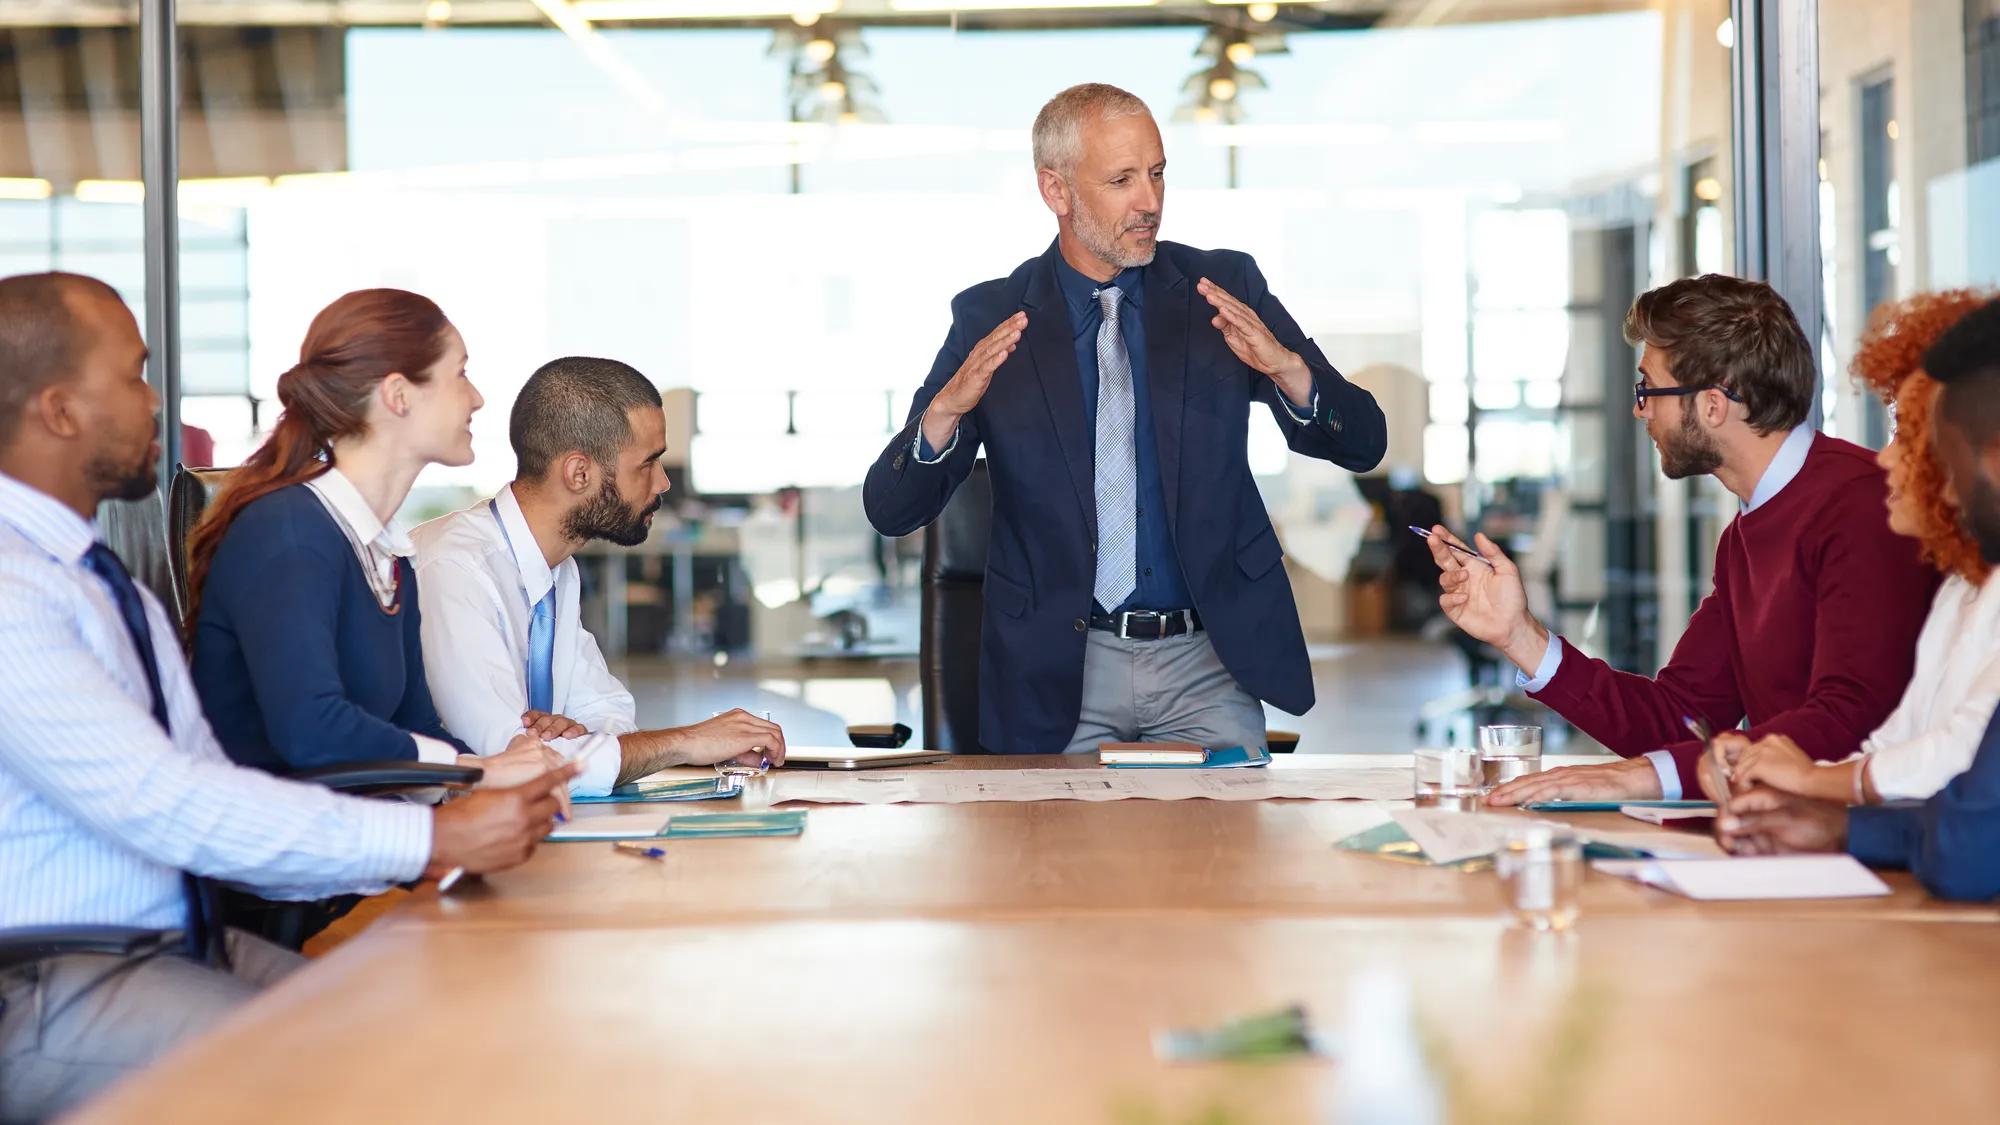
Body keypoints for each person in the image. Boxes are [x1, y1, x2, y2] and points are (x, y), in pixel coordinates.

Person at [0, 272, 572, 1122]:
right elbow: (169, 799)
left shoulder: (92, 579)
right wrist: (432, 831)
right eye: (135, 373)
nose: (159, 402)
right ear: (59, 410)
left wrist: (462, 798)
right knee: (361, 1071)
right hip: (52, 975)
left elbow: (202, 773)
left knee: (438, 1035)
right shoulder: (16, 592)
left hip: (173, 944)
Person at [861, 83, 1386, 754]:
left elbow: (1366, 441)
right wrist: (945, 413)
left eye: (1158, 172)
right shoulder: (989, 317)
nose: (1151, 202)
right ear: (1056, 190)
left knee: (1233, 856)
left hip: (1206, 663)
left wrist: (1288, 369)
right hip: (1059, 672)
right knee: (1058, 862)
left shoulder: (1220, 290)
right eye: (1122, 180)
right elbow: (890, 506)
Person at [1428, 274, 1937, 804]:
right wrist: (1520, 636)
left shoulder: (1862, 505)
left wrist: (1645, 776)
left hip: (1866, 853)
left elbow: (1852, 721)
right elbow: (1682, 717)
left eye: (1647, 388)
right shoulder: (1748, 530)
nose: (1640, 409)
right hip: (1788, 835)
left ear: (1713, 406)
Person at [184, 289, 557, 789]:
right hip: (276, 850)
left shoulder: (387, 554)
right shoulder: (289, 531)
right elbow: (311, 731)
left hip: (360, 838)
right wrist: (476, 773)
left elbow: (415, 726)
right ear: (398, 394)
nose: (477, 398)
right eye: (461, 373)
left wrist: (509, 775)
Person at [1711, 296, 2000, 902]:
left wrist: (1821, 787)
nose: (1887, 458)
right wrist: (1817, 799)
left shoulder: (1853, 518)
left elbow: (1967, 820)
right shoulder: (1962, 588)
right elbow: (1904, 752)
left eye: (1912, 435)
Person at [411, 356, 787, 794]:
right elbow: (510, 765)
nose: (663, 483)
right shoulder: (454, 568)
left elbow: (608, 709)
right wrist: (687, 741)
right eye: (648, 464)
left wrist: (578, 739)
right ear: (579, 473)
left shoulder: (555, 570)